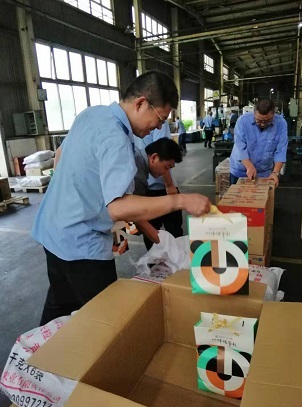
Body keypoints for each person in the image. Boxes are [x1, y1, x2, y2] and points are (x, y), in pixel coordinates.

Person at [32, 70, 212, 326]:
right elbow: (118, 208)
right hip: (81, 243)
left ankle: (37, 351)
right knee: (109, 324)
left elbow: (60, 156)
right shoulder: (117, 139)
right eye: (160, 119)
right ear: (141, 103)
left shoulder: (92, 114)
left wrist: (76, 195)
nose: (158, 127)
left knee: (61, 306)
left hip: (52, 231)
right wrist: (180, 201)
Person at [139, 122, 184, 250]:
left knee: (150, 226)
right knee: (173, 229)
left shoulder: (134, 127)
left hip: (147, 188)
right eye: (167, 167)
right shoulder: (158, 121)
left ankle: (156, 257)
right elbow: (163, 153)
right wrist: (169, 185)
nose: (160, 125)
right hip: (160, 188)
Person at [229, 99, 288, 187]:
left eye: (267, 120)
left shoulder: (281, 124)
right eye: (259, 120)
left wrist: (275, 172)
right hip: (240, 171)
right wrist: (249, 166)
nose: (263, 124)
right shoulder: (243, 121)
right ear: (254, 113)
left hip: (264, 173)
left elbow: (281, 150)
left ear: (274, 114)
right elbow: (240, 146)